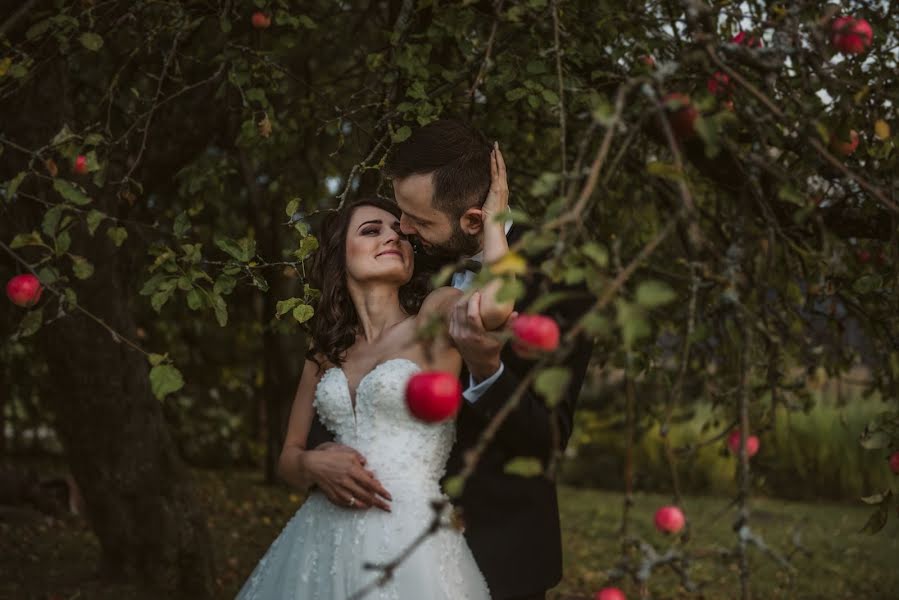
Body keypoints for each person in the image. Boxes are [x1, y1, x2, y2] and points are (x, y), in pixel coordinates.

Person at [303, 119, 595, 600]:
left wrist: (488, 371)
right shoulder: (408, 265)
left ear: (474, 221)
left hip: (497, 551)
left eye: (418, 220)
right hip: (381, 544)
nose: (403, 229)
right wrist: (319, 456)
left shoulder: (561, 287)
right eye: (401, 213)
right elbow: (353, 362)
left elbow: (548, 438)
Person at [236, 145, 511, 599]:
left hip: (410, 545)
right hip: (317, 540)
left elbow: (498, 306)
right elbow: (287, 456)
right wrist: (309, 463)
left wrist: (496, 218)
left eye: (399, 232)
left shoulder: (435, 314)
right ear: (340, 255)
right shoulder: (324, 351)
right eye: (371, 229)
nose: (394, 236)